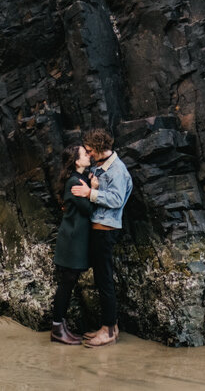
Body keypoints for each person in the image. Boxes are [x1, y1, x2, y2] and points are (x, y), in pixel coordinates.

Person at [70, 128, 132, 348]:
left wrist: (90, 194)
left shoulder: (118, 170)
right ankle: (108, 327)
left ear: (97, 148)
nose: (88, 153)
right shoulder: (101, 167)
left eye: (89, 150)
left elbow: (116, 200)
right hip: (99, 229)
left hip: (106, 230)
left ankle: (109, 331)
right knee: (101, 278)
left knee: (104, 280)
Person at [50, 144, 95, 344]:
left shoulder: (81, 179)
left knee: (68, 283)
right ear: (77, 161)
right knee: (66, 284)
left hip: (75, 239)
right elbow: (87, 209)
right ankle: (57, 329)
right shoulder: (74, 182)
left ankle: (61, 327)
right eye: (85, 154)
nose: (89, 155)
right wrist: (93, 190)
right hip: (71, 241)